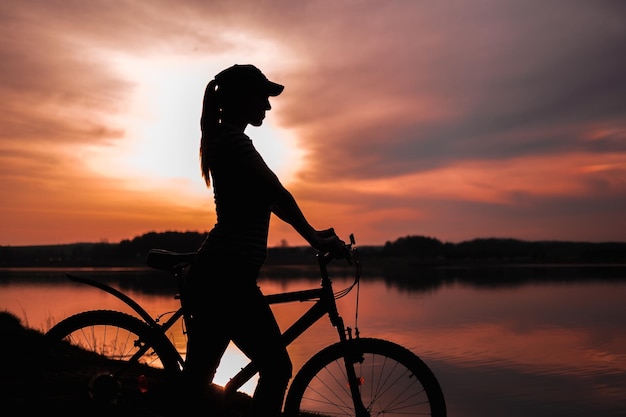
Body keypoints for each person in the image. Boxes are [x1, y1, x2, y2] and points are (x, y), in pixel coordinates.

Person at [182, 64, 345, 417]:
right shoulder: (233, 142)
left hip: (222, 274)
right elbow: (279, 194)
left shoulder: (227, 141)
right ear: (243, 99)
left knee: (196, 383)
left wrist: (313, 234)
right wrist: (315, 238)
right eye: (262, 98)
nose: (267, 107)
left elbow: (272, 201)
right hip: (227, 277)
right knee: (276, 367)